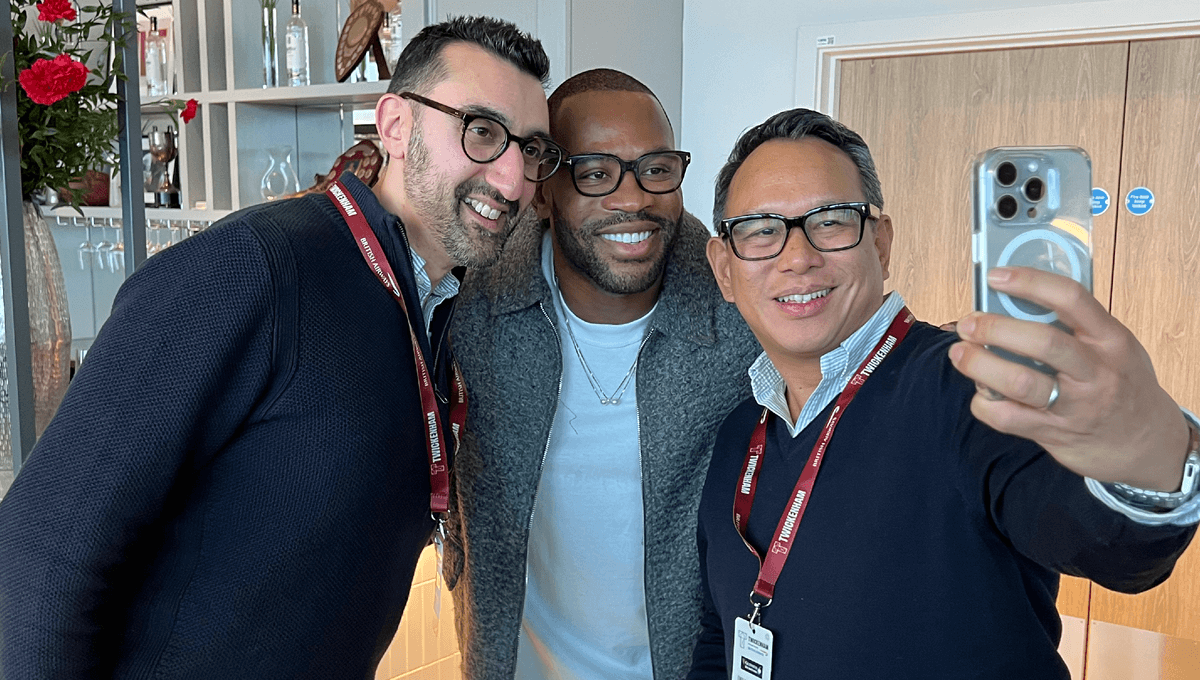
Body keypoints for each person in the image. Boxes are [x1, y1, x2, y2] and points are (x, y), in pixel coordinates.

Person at [0, 16, 564, 678]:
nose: (511, 179)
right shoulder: (256, 265)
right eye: (482, 131)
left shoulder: (437, 308)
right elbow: (41, 555)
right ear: (394, 125)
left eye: (531, 150)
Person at [688, 108, 1200, 679]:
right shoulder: (739, 431)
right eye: (760, 230)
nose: (797, 256)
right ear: (724, 270)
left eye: (830, 220)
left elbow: (1117, 548)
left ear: (880, 244)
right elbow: (723, 628)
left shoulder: (967, 386)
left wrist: (1150, 449)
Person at [445, 68, 760, 680]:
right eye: (595, 174)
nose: (633, 197)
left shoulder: (740, 313)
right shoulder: (473, 303)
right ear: (542, 191)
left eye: (657, 169)